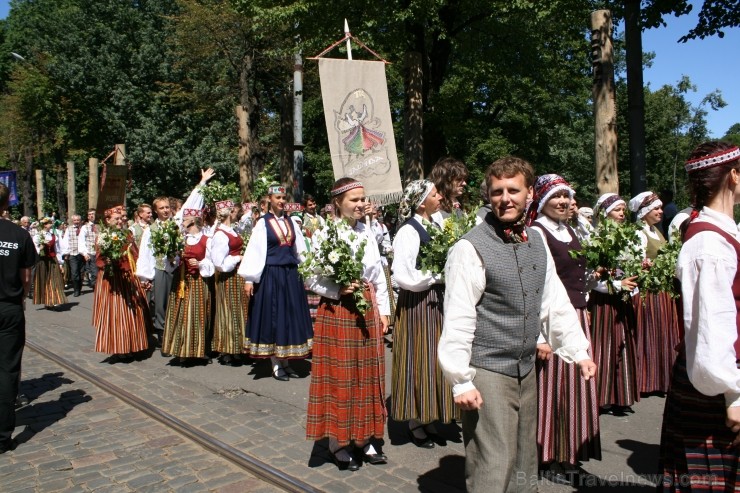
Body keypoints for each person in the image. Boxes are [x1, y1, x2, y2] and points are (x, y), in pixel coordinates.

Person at [438, 157, 596, 492]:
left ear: (528, 195)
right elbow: (458, 317)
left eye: (513, 190)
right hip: (489, 369)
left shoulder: (536, 241)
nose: (505, 198)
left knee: (525, 460)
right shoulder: (469, 248)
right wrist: (460, 381)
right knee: (493, 463)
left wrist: (578, 350)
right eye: (497, 191)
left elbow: (553, 299)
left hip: (526, 368)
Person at [659, 141, 740, 490]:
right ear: (734, 175)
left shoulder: (720, 234)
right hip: (715, 384)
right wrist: (733, 395)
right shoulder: (709, 246)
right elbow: (709, 329)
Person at [306, 177, 391, 471]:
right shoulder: (324, 234)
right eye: (354, 200)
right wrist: (335, 289)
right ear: (338, 203)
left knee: (368, 374)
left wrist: (385, 310)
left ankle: (364, 437)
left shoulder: (367, 231)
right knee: (342, 376)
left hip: (367, 309)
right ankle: (338, 442)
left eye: (361, 199)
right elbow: (311, 277)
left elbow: (378, 273)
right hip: (340, 311)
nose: (359, 204)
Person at [527, 175, 601, 480]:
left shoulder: (570, 229)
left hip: (576, 315)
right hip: (551, 320)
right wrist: (541, 335)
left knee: (576, 389)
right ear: (543, 201)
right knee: (554, 391)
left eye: (566, 197)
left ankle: (571, 452)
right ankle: (549, 455)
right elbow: (537, 285)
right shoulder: (537, 232)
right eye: (556, 197)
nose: (563, 202)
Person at [390, 180, 459, 448]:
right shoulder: (408, 231)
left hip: (438, 299)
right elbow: (403, 274)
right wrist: (435, 277)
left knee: (436, 357)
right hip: (419, 302)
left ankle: (430, 412)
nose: (440, 196)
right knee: (419, 356)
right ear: (421, 201)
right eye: (434, 194)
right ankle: (415, 420)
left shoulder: (438, 224)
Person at [239, 185, 313, 379]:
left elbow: (300, 250)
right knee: (274, 316)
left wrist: (308, 269)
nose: (281, 201)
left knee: (289, 316)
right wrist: (249, 278)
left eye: (283, 197)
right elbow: (256, 251)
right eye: (278, 197)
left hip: (290, 275)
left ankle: (286, 360)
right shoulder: (263, 224)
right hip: (271, 275)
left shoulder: (291, 222)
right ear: (269, 200)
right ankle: (275, 362)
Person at [137, 169, 214, 349]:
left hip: (179, 268)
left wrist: (202, 183)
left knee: (179, 301)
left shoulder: (177, 222)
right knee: (161, 304)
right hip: (161, 268)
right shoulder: (151, 230)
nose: (165, 211)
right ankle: (163, 335)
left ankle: (177, 335)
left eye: (167, 207)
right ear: (155, 211)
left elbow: (191, 203)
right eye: (161, 208)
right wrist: (145, 276)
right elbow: (145, 254)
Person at [588, 193, 640, 412]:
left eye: (623, 211)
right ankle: (601, 396)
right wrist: (616, 285)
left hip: (622, 298)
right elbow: (592, 277)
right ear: (605, 213)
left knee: (623, 344)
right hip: (604, 300)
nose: (621, 214)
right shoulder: (595, 238)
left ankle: (621, 396)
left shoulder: (627, 237)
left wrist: (635, 280)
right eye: (617, 210)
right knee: (604, 345)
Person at [628, 191, 680, 395]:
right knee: (651, 333)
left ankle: (662, 378)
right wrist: (645, 265)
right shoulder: (638, 233)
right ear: (644, 212)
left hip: (662, 291)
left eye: (659, 208)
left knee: (663, 333)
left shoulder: (655, 231)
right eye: (656, 208)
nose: (660, 211)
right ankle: (647, 381)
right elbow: (631, 264)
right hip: (649, 293)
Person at [0, 183, 37, 454]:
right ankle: (2, 437)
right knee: (7, 371)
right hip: (9, 308)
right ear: (6, 205)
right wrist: (21, 299)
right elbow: (26, 278)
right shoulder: (19, 235)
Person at [92, 206, 151, 361]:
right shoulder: (103, 236)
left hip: (128, 276)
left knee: (132, 312)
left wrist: (143, 276)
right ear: (107, 220)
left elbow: (136, 254)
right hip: (113, 280)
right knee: (117, 313)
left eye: (122, 218)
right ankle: (119, 347)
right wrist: (107, 261)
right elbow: (99, 258)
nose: (120, 221)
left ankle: (132, 344)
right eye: (116, 219)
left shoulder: (128, 234)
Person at [162, 208, 214, 363]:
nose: (182, 222)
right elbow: (172, 264)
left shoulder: (206, 239)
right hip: (181, 281)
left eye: (185, 219)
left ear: (192, 220)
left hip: (199, 281)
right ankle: (181, 350)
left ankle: (199, 350)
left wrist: (199, 263)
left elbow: (212, 261)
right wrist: (173, 259)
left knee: (198, 314)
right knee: (180, 314)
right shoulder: (180, 240)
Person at [210, 199, 249, 365]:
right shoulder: (220, 234)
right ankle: (227, 349)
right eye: (234, 211)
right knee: (228, 311)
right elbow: (219, 263)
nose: (237, 213)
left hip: (237, 276)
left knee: (238, 311)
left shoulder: (231, 230)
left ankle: (238, 347)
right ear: (229, 213)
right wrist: (237, 257)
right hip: (228, 277)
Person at [32, 217, 67, 309]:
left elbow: (57, 249)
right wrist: (40, 248)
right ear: (44, 225)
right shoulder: (38, 236)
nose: (51, 225)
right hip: (42, 261)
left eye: (51, 223)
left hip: (52, 259)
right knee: (44, 280)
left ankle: (53, 300)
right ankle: (47, 301)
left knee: (55, 279)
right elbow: (34, 249)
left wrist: (60, 263)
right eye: (49, 223)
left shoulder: (53, 236)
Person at [428, 157, 468, 222]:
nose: (464, 183)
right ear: (445, 181)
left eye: (464, 179)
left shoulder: (459, 205)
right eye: (459, 179)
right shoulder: (434, 210)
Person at [61, 214, 85, 297]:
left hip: (82, 254)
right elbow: (65, 241)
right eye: (75, 220)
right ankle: (76, 290)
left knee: (81, 272)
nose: (76, 222)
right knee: (74, 272)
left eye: (78, 220)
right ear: (72, 221)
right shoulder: (69, 229)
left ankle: (80, 287)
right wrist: (66, 253)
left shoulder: (84, 228)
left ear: (80, 220)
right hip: (72, 253)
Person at [78, 209, 99, 289]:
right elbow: (81, 241)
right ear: (88, 216)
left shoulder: (100, 225)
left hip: (100, 252)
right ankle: (95, 286)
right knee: (94, 272)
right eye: (89, 214)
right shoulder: (84, 227)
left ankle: (97, 285)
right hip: (90, 252)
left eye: (93, 214)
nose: (91, 215)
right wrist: (84, 253)